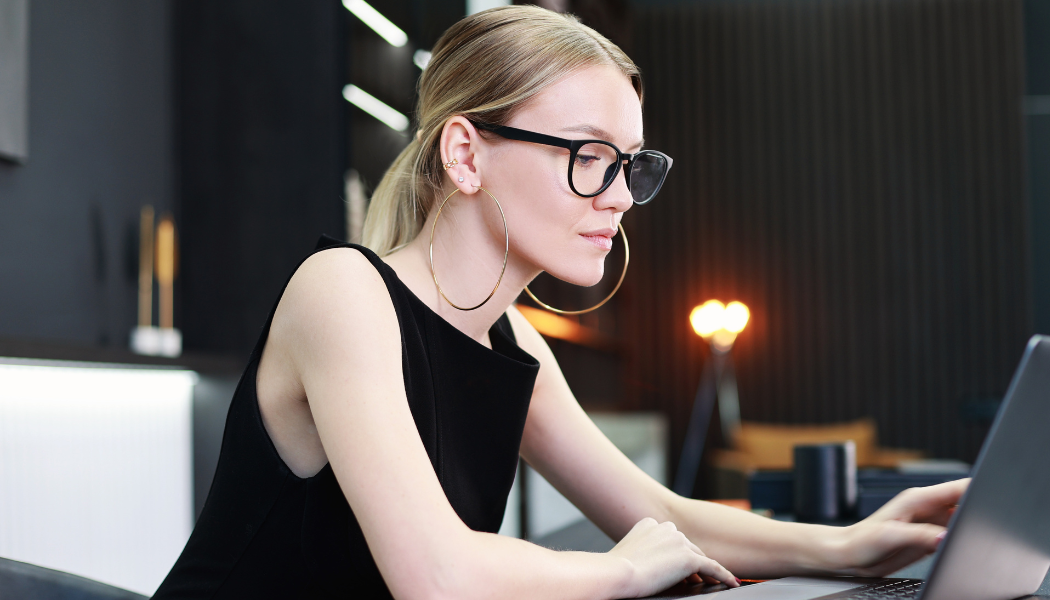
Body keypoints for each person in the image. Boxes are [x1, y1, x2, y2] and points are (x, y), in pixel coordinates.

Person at [152, 6, 967, 599]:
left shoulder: (511, 342)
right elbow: (436, 576)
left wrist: (852, 547)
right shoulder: (343, 291)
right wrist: (619, 571)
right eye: (589, 157)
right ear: (466, 153)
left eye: (631, 164)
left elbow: (654, 510)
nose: (619, 197)